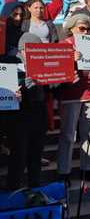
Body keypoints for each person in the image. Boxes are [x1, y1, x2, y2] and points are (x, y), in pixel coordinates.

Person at [57, 14, 90, 183]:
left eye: (87, 29)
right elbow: (57, 70)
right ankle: (63, 171)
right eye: (82, 28)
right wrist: (71, 60)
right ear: (72, 29)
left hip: (89, 94)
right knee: (68, 135)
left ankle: (87, 168)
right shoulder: (63, 46)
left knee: (88, 134)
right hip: (71, 96)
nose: (85, 31)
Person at [5, 33, 44, 190]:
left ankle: (35, 189)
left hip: (38, 115)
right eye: (33, 50)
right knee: (18, 156)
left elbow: (54, 89)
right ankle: (13, 190)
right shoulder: (11, 63)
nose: (37, 54)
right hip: (18, 117)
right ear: (22, 50)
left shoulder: (43, 64)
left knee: (36, 156)